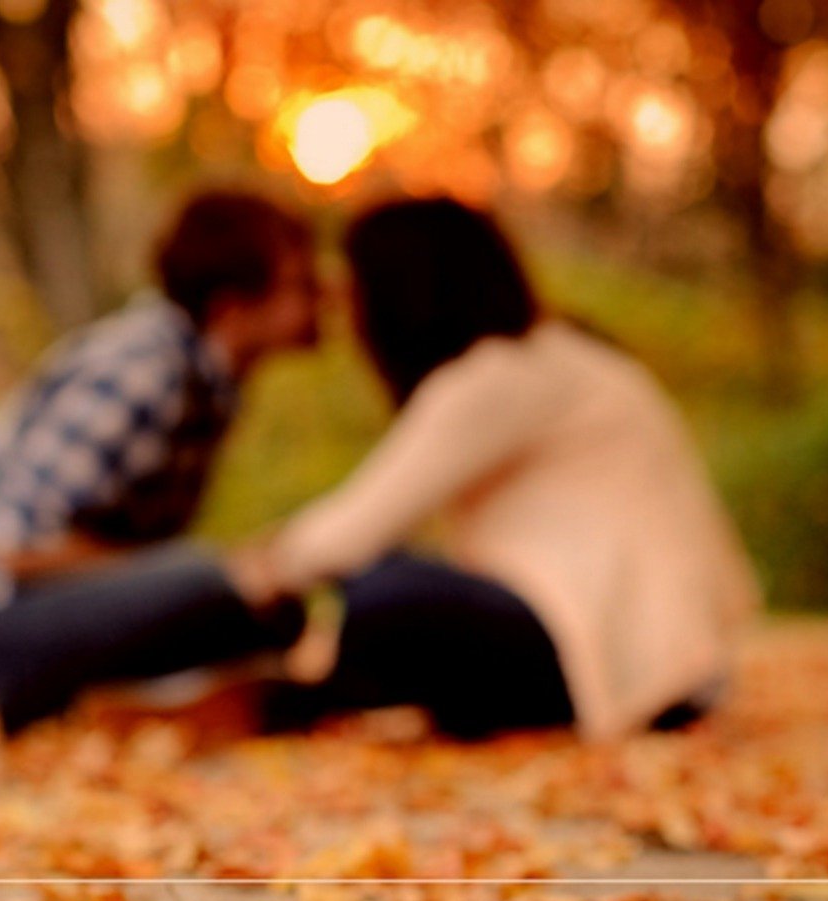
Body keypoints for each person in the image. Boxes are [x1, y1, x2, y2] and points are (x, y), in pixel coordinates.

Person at [233, 196, 761, 740]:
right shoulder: (552, 356)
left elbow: (351, 533)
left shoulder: (498, 373)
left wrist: (248, 576)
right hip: (666, 662)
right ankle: (345, 689)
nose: (352, 322)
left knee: (384, 595)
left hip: (615, 663)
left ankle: (295, 696)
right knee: (387, 590)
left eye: (356, 295)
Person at [0, 188, 321, 733]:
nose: (321, 301)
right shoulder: (144, 369)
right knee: (223, 581)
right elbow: (16, 549)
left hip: (11, 632)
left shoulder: (212, 386)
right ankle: (146, 708)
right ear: (231, 305)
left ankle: (143, 710)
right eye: (301, 286)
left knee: (273, 607)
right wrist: (201, 568)